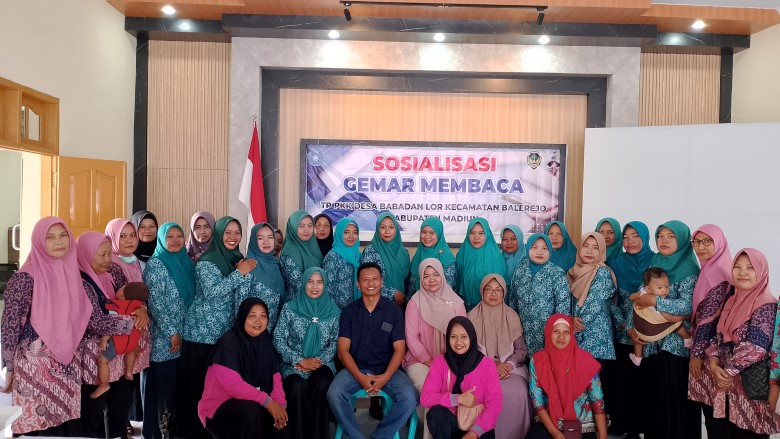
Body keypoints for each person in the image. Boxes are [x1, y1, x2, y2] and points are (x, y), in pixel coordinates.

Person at [0, 217, 134, 436]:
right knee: (39, 427)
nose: (59, 241)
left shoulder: (76, 279)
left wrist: (131, 321)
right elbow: (10, 327)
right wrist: (9, 368)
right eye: (50, 237)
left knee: (67, 428)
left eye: (63, 235)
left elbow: (95, 321)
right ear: (39, 241)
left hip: (68, 367)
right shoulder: (24, 279)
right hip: (35, 370)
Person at [181, 216, 255, 439]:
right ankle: (193, 433)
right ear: (219, 234)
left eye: (237, 233)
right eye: (227, 233)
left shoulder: (237, 258)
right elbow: (213, 293)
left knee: (217, 387)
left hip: (224, 334)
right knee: (198, 386)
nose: (233, 237)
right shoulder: (207, 261)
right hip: (201, 334)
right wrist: (239, 274)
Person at [326, 262, 419, 439]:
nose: (370, 283)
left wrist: (385, 377)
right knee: (334, 394)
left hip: (387, 369)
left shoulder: (393, 311)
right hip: (356, 368)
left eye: (375, 279)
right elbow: (343, 351)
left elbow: (399, 349)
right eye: (365, 279)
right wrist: (360, 377)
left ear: (382, 282)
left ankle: (380, 436)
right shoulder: (349, 312)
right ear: (358, 284)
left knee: (410, 396)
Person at [76, 231, 151, 439]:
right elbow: (95, 321)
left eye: (110, 253)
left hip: (119, 354)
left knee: (119, 408)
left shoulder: (113, 271)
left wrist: (141, 309)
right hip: (92, 359)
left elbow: (129, 296)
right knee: (94, 416)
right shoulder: (79, 282)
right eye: (102, 255)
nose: (108, 259)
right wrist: (130, 322)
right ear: (86, 254)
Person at [630, 220, 700, 439]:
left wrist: (656, 301)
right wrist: (633, 328)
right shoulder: (654, 264)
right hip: (652, 345)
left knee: (673, 403)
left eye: (671, 236)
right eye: (661, 236)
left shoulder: (690, 269)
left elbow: (689, 306)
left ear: (682, 240)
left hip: (675, 348)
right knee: (654, 402)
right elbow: (639, 298)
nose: (664, 240)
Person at [707, 249, 779, 437]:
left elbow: (757, 347)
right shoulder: (732, 300)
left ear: (761, 271)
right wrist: (714, 364)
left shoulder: (766, 304)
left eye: (750, 268)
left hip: (751, 389)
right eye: (737, 267)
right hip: (728, 386)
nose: (742, 272)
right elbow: (717, 336)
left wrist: (726, 373)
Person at [199, 298, 289, 439]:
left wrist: (280, 407)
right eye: (252, 316)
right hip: (220, 407)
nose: (258, 321)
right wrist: (269, 402)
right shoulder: (228, 343)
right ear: (243, 317)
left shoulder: (266, 343)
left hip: (257, 402)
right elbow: (233, 385)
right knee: (251, 411)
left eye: (263, 316)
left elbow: (276, 379)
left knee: (281, 419)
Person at [142, 222, 196, 439]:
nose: (175, 240)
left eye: (179, 236)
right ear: (162, 240)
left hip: (184, 336)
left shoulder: (187, 262)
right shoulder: (156, 264)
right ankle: (157, 432)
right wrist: (172, 332)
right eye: (169, 236)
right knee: (163, 387)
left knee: (176, 386)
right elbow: (155, 303)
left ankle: (172, 429)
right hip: (164, 339)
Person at [602, 221, 655, 439]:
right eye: (626, 237)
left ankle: (639, 428)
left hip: (651, 333)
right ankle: (620, 424)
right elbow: (611, 301)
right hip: (623, 332)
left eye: (635, 236)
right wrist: (626, 327)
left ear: (644, 238)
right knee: (622, 381)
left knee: (645, 382)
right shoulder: (615, 264)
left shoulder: (655, 262)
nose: (630, 241)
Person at [273, 267, 340, 439]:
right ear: (303, 284)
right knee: (296, 387)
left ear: (325, 285)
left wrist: (316, 361)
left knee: (322, 383)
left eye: (319, 282)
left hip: (322, 363)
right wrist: (299, 360)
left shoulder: (334, 311)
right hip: (294, 365)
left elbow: (335, 342)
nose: (314, 286)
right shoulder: (290, 308)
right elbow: (278, 339)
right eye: (310, 281)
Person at [405, 258, 467, 439]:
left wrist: (446, 362)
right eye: (426, 276)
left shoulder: (456, 303)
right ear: (421, 279)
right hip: (419, 361)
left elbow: (463, 336)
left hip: (450, 361)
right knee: (430, 389)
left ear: (442, 276)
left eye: (436, 275)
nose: (431, 280)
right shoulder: (415, 302)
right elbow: (411, 337)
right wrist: (429, 361)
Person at [468, 274, 532, 439]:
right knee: (483, 392)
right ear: (482, 292)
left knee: (519, 392)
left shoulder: (512, 316)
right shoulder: (471, 317)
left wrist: (508, 365)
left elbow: (521, 350)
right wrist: (493, 364)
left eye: (498, 290)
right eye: (489, 290)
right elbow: (469, 350)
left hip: (511, 369)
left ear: (504, 293)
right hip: (481, 367)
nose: (493, 294)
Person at [420, 316, 502, 439]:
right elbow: (425, 398)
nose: (458, 342)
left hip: (478, 426)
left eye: (464, 337)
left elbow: (494, 405)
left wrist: (474, 432)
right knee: (436, 414)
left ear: (471, 338)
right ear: (448, 338)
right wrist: (456, 399)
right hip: (450, 425)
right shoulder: (440, 362)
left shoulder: (487, 364)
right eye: (453, 337)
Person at [527, 314, 606, 439]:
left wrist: (603, 435)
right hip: (549, 421)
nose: (561, 337)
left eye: (566, 332)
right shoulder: (538, 360)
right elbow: (537, 400)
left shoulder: (586, 360)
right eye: (556, 331)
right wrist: (554, 431)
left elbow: (597, 400)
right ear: (548, 333)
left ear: (571, 335)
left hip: (582, 423)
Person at [507, 233, 571, 356]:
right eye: (534, 247)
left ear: (550, 251)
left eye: (544, 248)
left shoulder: (557, 273)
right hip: (523, 331)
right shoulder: (519, 271)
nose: (539, 252)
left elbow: (563, 306)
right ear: (528, 248)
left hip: (548, 333)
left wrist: (557, 332)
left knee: (545, 364)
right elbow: (513, 301)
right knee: (525, 362)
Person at [568, 232, 618, 364]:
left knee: (594, 377)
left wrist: (575, 325)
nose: (589, 251)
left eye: (595, 247)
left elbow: (595, 304)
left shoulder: (603, 272)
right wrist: (570, 320)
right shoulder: (573, 272)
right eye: (586, 246)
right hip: (576, 338)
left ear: (601, 251)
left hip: (596, 341)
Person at [93, 283, 149, 399]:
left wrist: (104, 340)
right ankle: (128, 371)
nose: (119, 287)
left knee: (102, 361)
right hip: (132, 342)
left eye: (122, 288)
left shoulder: (118, 305)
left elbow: (112, 325)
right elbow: (142, 328)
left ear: (122, 295)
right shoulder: (138, 307)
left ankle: (104, 384)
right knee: (131, 351)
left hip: (119, 342)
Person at [629, 268, 691, 366]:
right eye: (660, 288)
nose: (664, 291)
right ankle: (687, 339)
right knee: (677, 323)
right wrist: (684, 317)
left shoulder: (643, 291)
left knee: (638, 339)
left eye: (667, 287)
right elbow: (671, 318)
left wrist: (636, 296)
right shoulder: (660, 305)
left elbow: (631, 297)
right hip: (652, 333)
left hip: (640, 330)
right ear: (648, 289)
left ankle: (637, 358)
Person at [242, 222, 286, 331]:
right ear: (253, 240)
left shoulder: (276, 264)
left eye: (270, 237)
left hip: (274, 329)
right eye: (260, 238)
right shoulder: (247, 266)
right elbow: (240, 304)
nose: (266, 242)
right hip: (253, 330)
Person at [361, 211, 409, 305]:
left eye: (391, 227)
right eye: (383, 227)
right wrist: (393, 293)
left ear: (396, 229)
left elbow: (407, 281)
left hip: (401, 304)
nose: (387, 231)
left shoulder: (404, 253)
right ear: (377, 229)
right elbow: (367, 281)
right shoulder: (370, 251)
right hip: (378, 304)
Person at [456, 218, 505, 311]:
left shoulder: (495, 257)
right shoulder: (462, 254)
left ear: (487, 234)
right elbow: (457, 283)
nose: (476, 237)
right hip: (466, 306)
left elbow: (501, 286)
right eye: (472, 233)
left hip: (490, 306)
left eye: (481, 233)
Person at [280, 211, 323, 304]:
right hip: (298, 304)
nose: (306, 230)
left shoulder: (313, 247)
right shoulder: (289, 252)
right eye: (301, 226)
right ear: (293, 228)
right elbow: (297, 285)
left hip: (316, 301)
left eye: (310, 226)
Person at [408, 217, 458, 297]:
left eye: (432, 233)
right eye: (424, 232)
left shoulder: (447, 260)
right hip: (416, 302)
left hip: (440, 302)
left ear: (439, 234)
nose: (427, 236)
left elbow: (448, 290)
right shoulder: (417, 256)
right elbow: (411, 287)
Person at [323, 218, 363, 309]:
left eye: (355, 232)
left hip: (357, 308)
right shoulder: (332, 257)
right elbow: (327, 290)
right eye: (346, 232)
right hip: (338, 310)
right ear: (339, 233)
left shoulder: (358, 256)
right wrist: (334, 312)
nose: (351, 236)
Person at [500, 225, 526, 289]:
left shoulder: (528, 260)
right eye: (504, 239)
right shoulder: (498, 259)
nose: (509, 243)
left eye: (513, 239)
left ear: (520, 239)